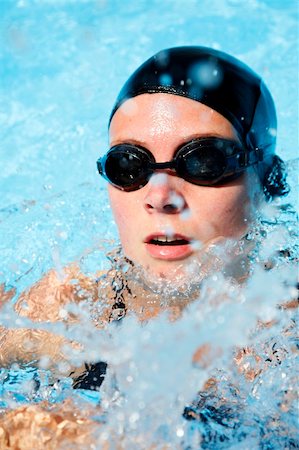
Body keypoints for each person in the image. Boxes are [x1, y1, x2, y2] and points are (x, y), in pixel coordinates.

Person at [0, 46, 295, 448]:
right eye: (130, 165)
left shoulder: (285, 344)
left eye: (204, 161)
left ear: (265, 183)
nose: (159, 196)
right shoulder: (71, 306)